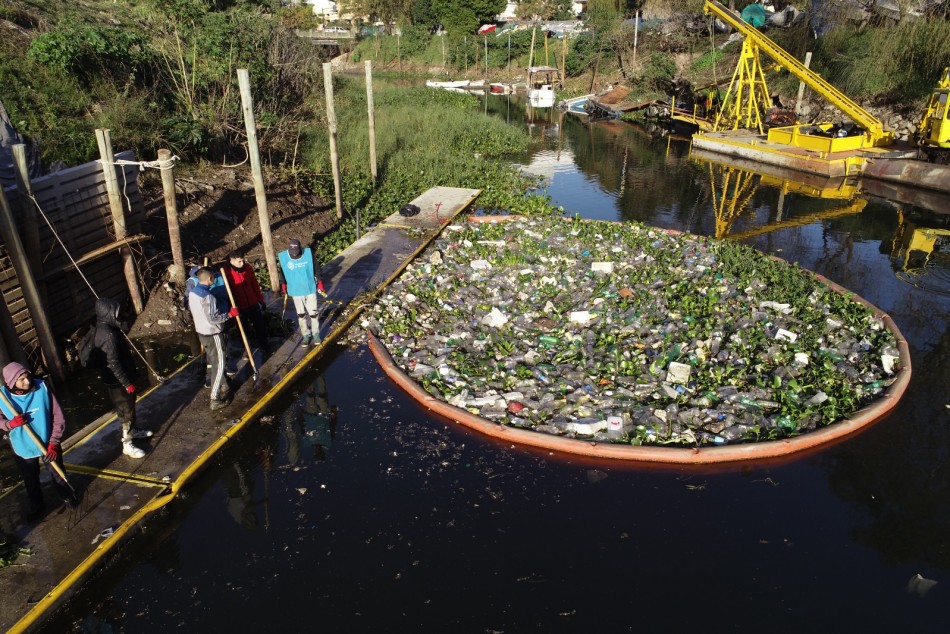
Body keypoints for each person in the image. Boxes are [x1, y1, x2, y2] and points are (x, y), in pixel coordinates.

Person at [0, 362, 79, 521]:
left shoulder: (42, 387)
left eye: (27, 377)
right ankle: (37, 506)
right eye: (21, 380)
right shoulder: (3, 397)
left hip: (48, 442)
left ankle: (67, 496)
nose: (27, 382)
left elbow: (59, 417)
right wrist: (10, 424)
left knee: (57, 473)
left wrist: (54, 442)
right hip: (23, 445)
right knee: (30, 479)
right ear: (11, 383)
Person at [91, 297, 150, 459]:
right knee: (126, 410)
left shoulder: (105, 328)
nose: (118, 315)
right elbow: (113, 363)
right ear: (108, 314)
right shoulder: (108, 336)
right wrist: (126, 383)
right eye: (115, 313)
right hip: (117, 382)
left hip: (115, 379)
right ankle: (127, 443)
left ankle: (133, 430)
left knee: (129, 407)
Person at [189, 267, 239, 410]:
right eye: (213, 278)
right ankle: (215, 398)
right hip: (213, 333)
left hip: (201, 333)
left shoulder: (193, 292)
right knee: (219, 364)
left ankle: (224, 383)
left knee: (213, 359)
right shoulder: (208, 296)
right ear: (210, 279)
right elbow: (213, 318)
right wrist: (230, 314)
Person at [277, 238, 327, 348]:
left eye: (296, 252)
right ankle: (306, 335)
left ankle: (316, 334)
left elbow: (317, 269)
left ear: (300, 249)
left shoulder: (308, 254)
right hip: (295, 290)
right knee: (301, 315)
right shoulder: (285, 258)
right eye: (292, 253)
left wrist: (320, 282)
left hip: (309, 288)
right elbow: (282, 272)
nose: (294, 255)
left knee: (313, 313)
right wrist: (283, 285)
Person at [223, 251, 270, 355]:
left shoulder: (248, 268)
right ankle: (247, 350)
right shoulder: (226, 272)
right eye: (239, 262)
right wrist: (230, 307)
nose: (242, 263)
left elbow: (254, 285)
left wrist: (260, 300)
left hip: (252, 303)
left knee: (260, 326)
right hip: (239, 307)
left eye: (243, 261)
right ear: (232, 261)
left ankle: (265, 346)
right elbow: (226, 293)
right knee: (243, 330)